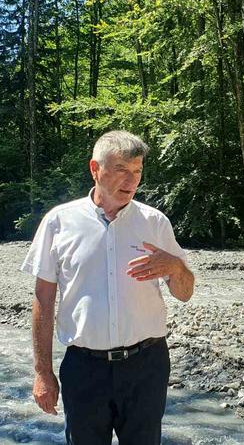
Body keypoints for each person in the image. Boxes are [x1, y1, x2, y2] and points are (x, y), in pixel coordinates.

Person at [21, 130, 195, 444]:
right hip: (84, 368)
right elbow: (43, 300)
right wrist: (43, 372)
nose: (131, 180)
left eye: (137, 171)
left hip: (147, 366)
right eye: (121, 170)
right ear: (95, 169)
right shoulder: (59, 222)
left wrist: (176, 267)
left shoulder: (154, 223)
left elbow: (184, 292)